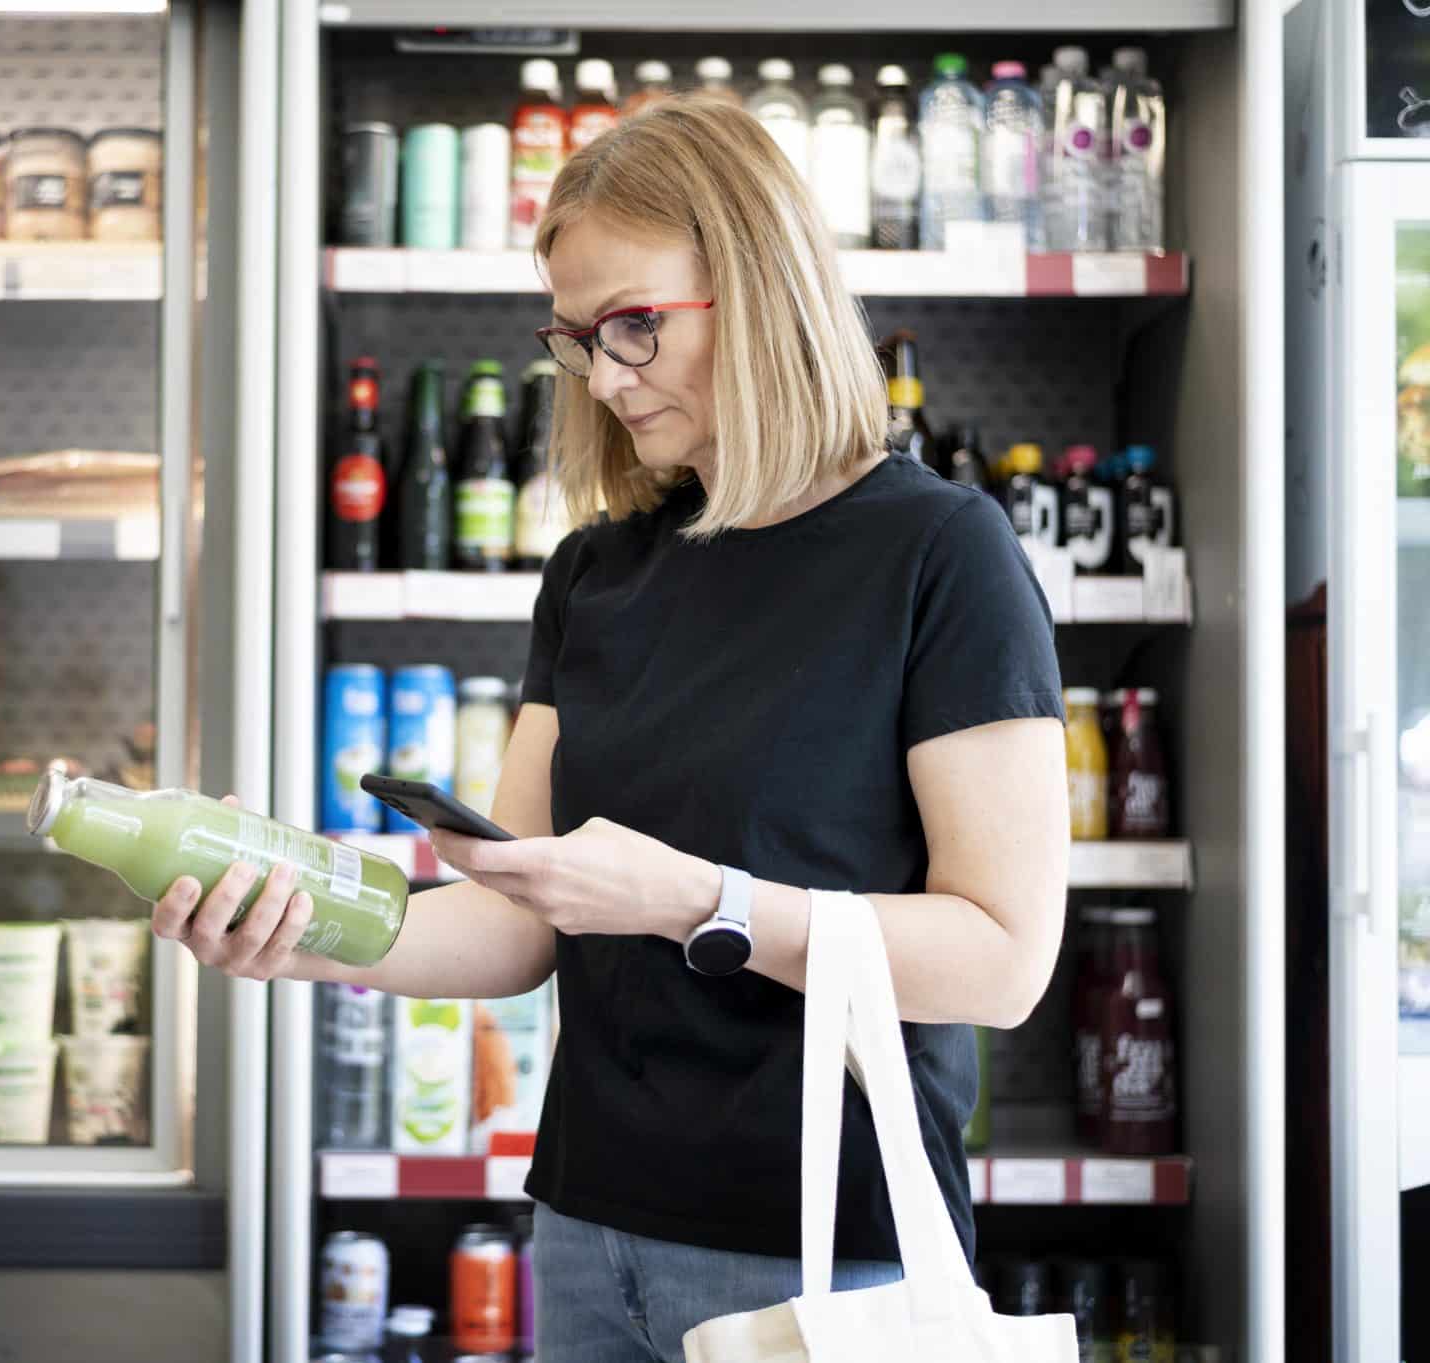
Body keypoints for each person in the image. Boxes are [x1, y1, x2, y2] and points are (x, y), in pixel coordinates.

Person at [153, 95, 1067, 1363]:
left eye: (637, 324)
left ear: (761, 287)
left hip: (828, 1254)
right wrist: (297, 929)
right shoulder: (597, 569)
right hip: (585, 1232)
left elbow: (1002, 955)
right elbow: (517, 914)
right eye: (579, 339)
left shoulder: (938, 552)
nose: (608, 374)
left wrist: (698, 901)